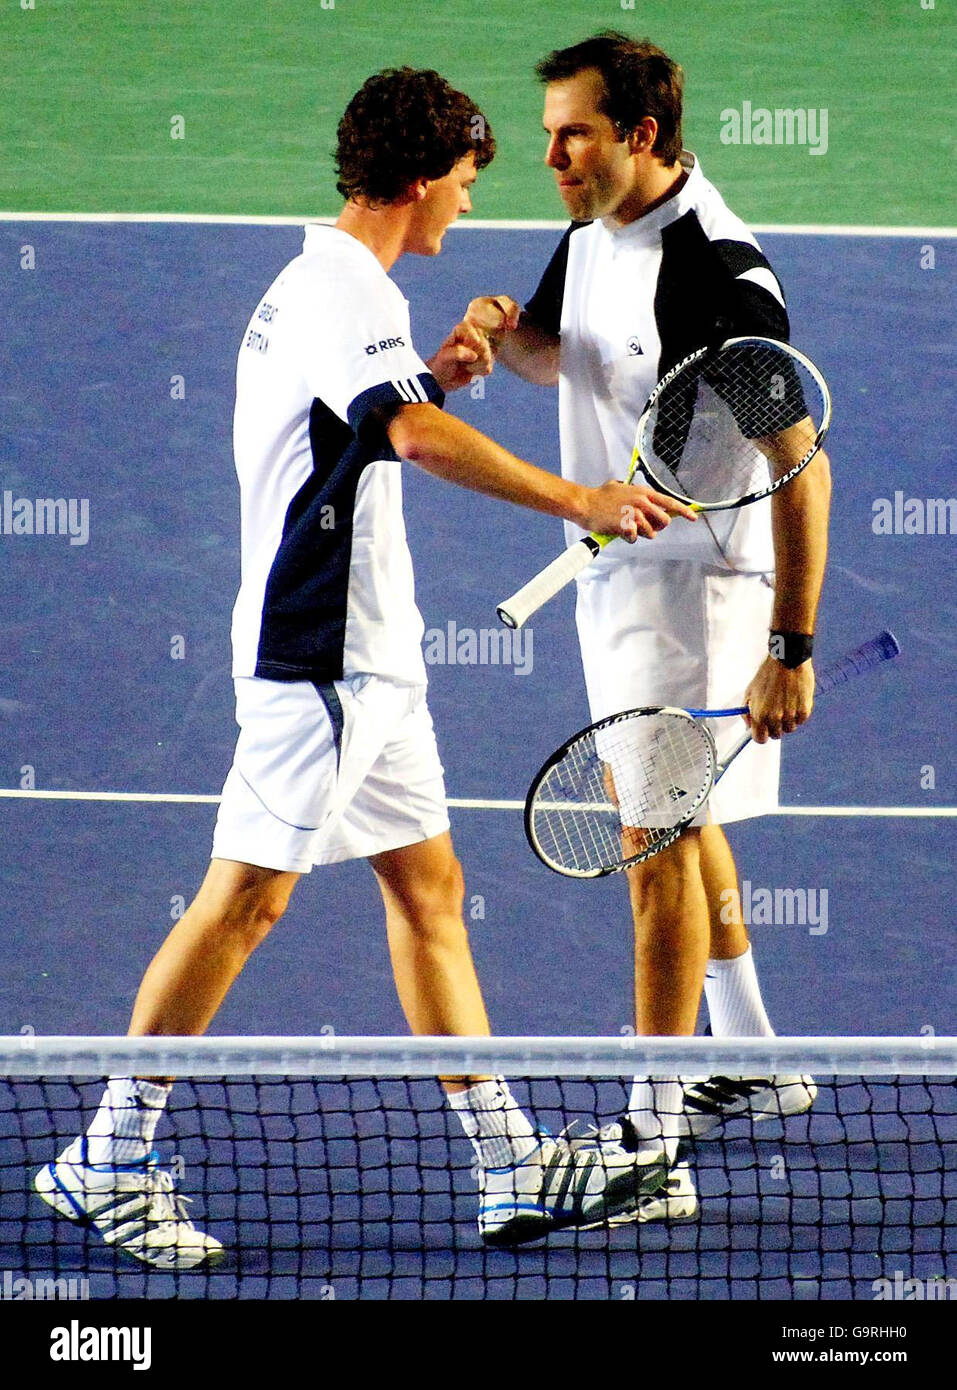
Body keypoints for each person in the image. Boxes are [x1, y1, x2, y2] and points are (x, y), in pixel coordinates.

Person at [33, 67, 694, 1267]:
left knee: (429, 891)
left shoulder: (333, 289)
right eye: (467, 182)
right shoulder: (344, 291)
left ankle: (505, 1158)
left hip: (375, 664)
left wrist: (430, 376)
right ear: (418, 178)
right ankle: (107, 1156)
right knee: (248, 898)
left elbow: (373, 418)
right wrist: (580, 496)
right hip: (323, 662)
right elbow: (410, 439)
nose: (472, 207)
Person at [464, 33, 831, 1222]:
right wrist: (495, 337)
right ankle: (752, 1057)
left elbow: (804, 469)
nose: (550, 154)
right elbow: (564, 358)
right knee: (687, 830)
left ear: (644, 135)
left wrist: (792, 648)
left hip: (693, 598)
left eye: (575, 132)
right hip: (618, 580)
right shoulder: (593, 225)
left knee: (654, 856)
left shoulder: (723, 281)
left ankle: (652, 1135)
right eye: (552, 131)